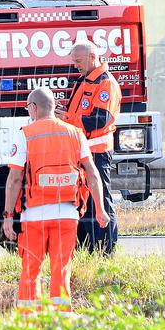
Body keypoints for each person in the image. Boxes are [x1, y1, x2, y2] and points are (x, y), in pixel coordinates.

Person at [2, 89, 108, 314]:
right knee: (61, 270)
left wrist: (8, 216)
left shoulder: (25, 134)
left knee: (31, 270)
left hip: (34, 216)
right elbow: (92, 173)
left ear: (34, 107)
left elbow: (14, 179)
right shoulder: (75, 133)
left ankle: (30, 320)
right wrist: (100, 209)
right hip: (67, 215)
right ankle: (62, 319)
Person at [62, 41, 121, 255]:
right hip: (80, 153)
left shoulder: (105, 83)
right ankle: (90, 250)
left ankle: (106, 251)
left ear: (92, 57)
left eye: (78, 61)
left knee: (100, 202)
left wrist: (67, 118)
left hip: (97, 153)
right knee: (83, 202)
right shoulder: (84, 81)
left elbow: (100, 120)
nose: (75, 65)